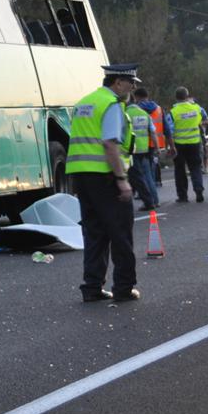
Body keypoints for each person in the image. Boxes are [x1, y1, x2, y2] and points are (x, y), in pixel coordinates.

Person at [66, 64, 140, 303]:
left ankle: (92, 288)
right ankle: (124, 288)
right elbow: (110, 144)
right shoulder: (111, 104)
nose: (134, 87)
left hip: (81, 175)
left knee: (94, 233)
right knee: (120, 233)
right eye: (131, 82)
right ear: (118, 82)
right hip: (105, 175)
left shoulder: (84, 102)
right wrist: (121, 180)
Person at [170, 87, 205, 203]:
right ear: (187, 96)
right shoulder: (196, 108)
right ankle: (198, 190)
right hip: (194, 143)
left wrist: (169, 147)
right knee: (195, 168)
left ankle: (183, 196)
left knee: (180, 170)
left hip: (179, 145)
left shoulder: (173, 112)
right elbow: (204, 119)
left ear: (176, 97)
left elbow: (169, 131)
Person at [126, 92, 159, 212]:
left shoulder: (125, 114)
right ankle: (153, 200)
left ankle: (149, 201)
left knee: (136, 177)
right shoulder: (144, 114)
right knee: (146, 176)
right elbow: (153, 133)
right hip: (144, 150)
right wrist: (156, 148)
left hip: (131, 150)